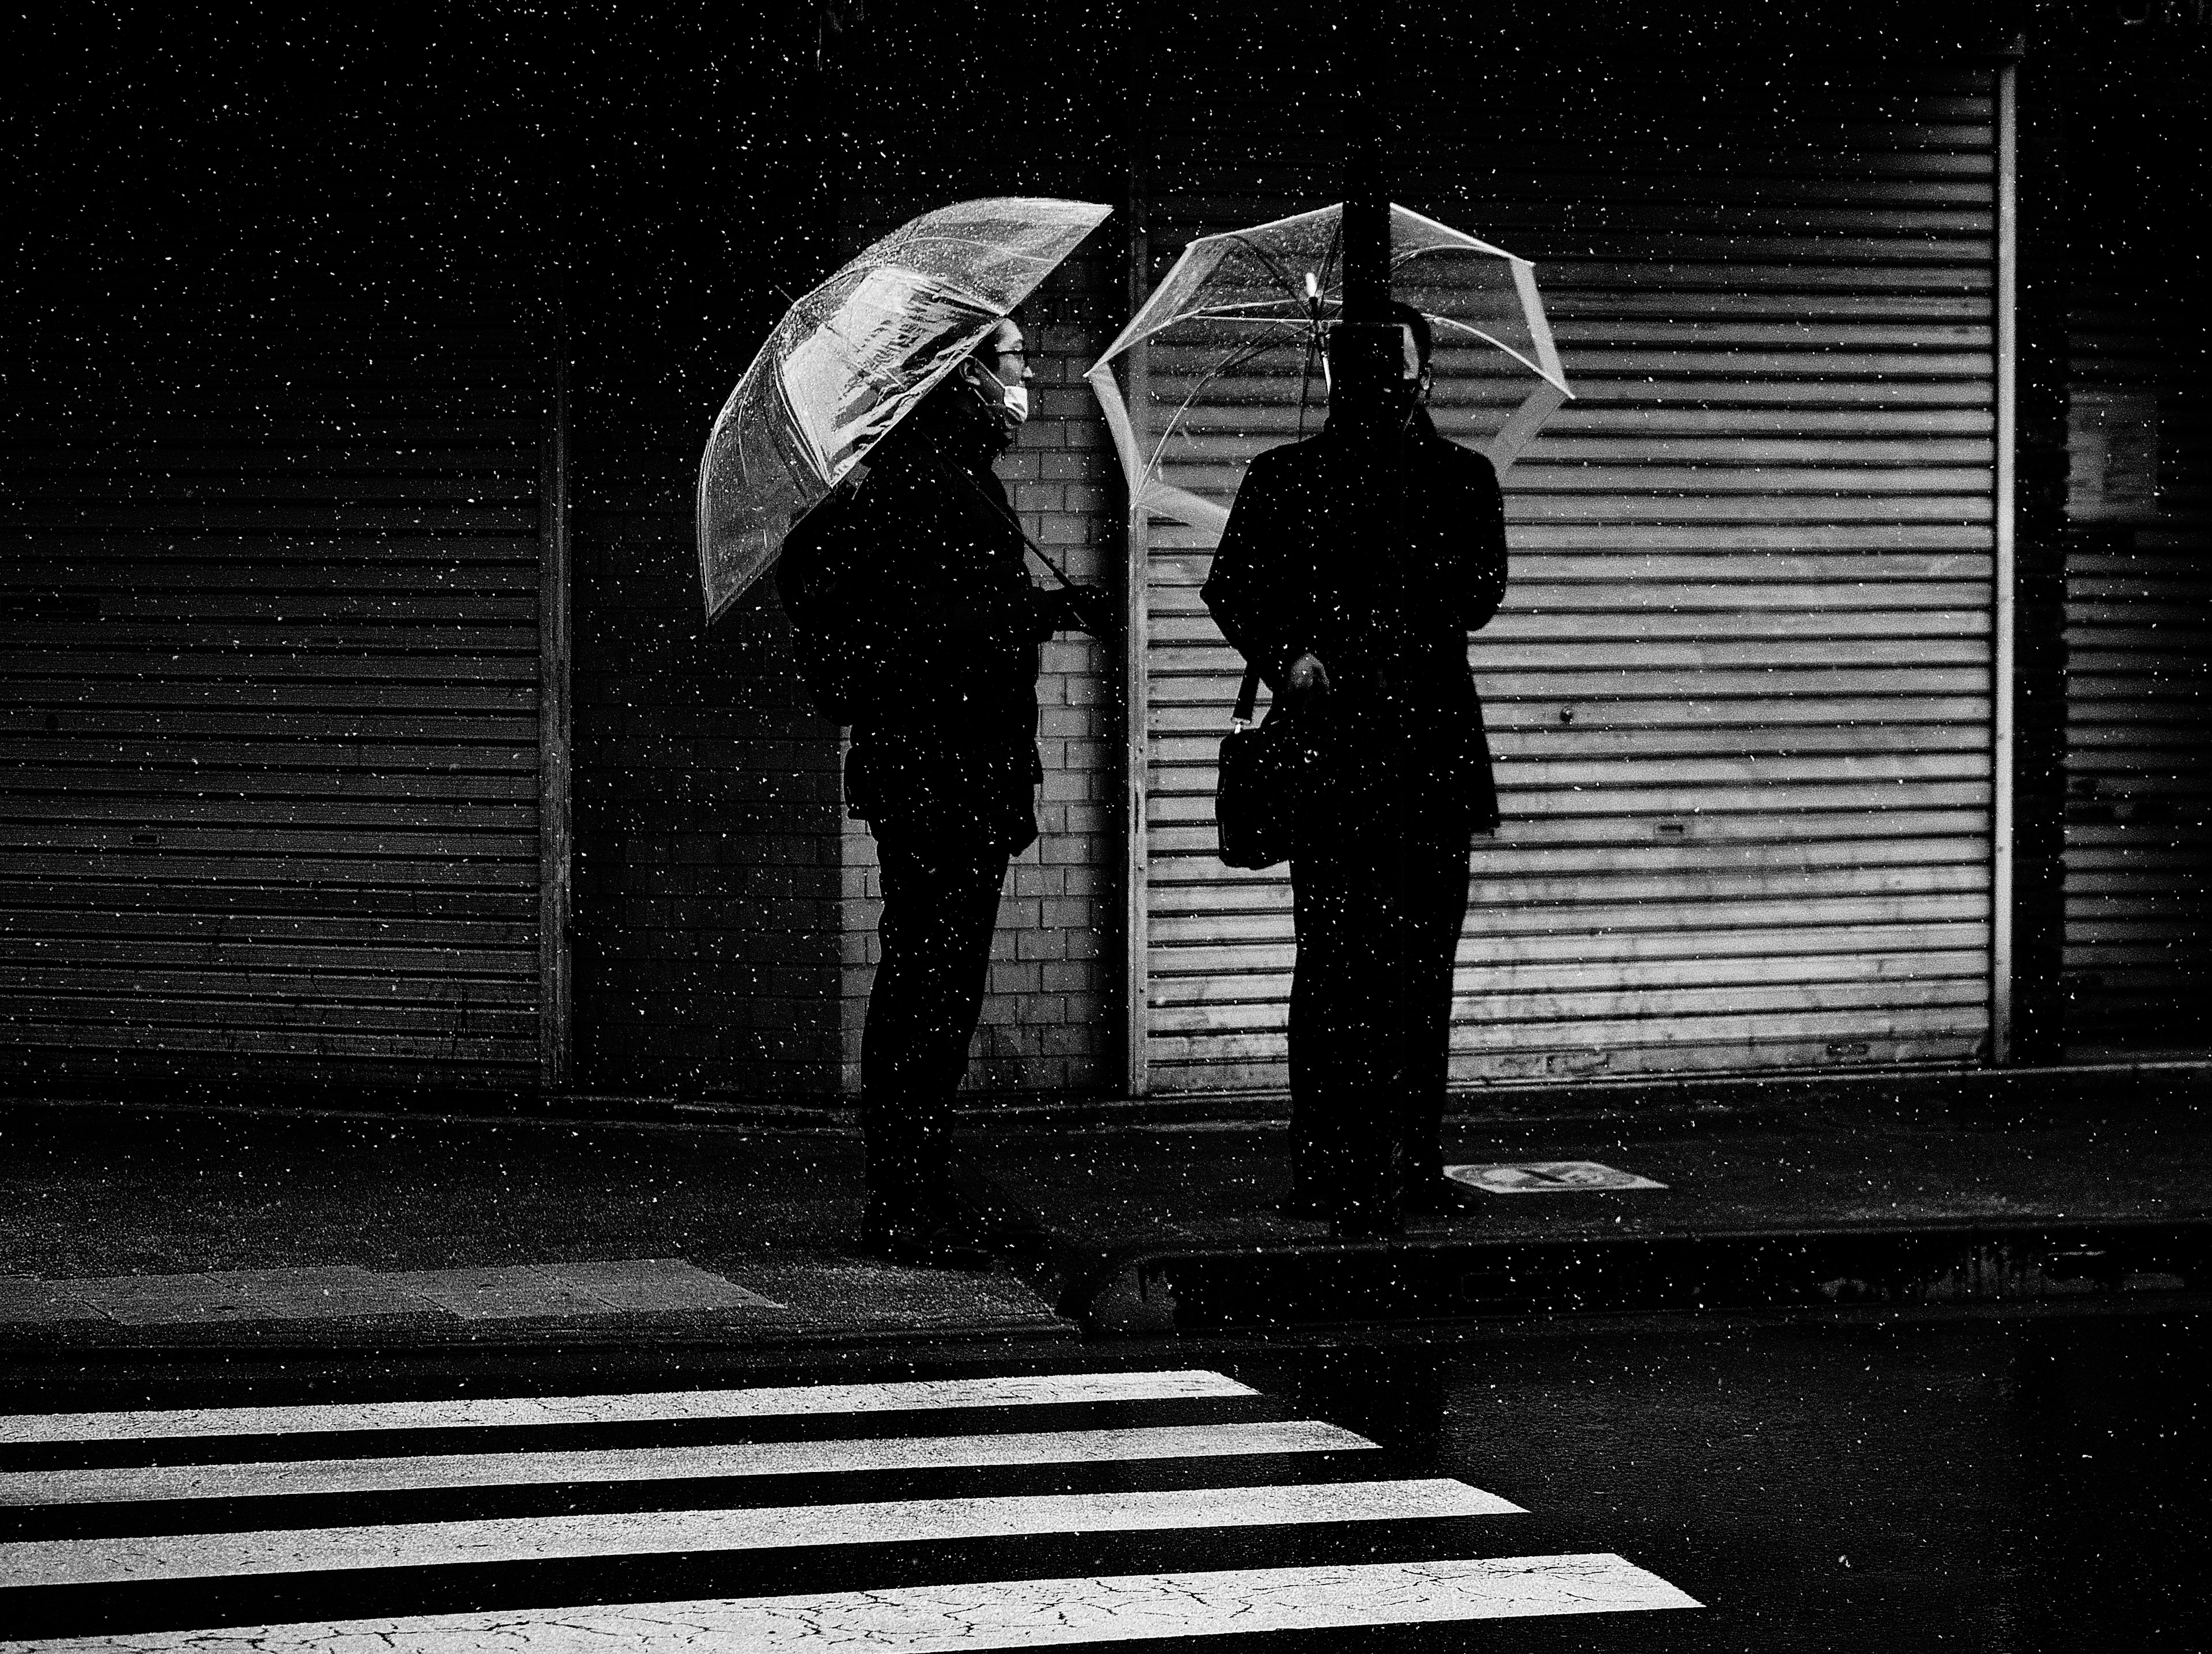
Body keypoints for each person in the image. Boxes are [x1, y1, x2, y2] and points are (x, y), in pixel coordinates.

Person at [777, 315, 1111, 1268]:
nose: (1027, 376)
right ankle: (906, 1196)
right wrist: (1031, 620)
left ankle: (912, 1185)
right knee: (931, 984)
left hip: (935, 767)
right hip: (946, 770)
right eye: (1011, 360)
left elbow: (950, 616)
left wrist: (1044, 610)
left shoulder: (933, 478)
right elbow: (947, 634)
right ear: (962, 375)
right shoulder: (933, 486)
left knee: (927, 978)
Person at [1202, 301, 1508, 1238]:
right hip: (1336, 755)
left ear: (1425, 375)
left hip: (1426, 755)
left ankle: (1410, 1164)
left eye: (1398, 365)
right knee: (1334, 971)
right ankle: (1328, 1170)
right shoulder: (1287, 478)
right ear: (1337, 374)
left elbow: (1480, 591)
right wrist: (1290, 647)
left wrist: (1391, 548)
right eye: (1366, 365)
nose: (1385, 381)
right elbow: (1232, 588)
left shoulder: (1459, 476)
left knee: (1422, 972)